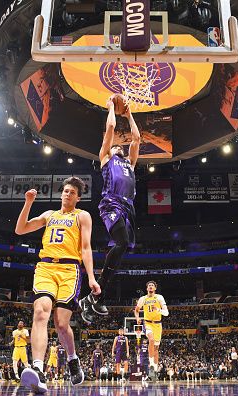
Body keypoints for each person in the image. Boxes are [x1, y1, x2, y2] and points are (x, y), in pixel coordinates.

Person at [15, 177, 101, 393]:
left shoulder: (82, 216)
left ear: (78, 197)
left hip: (69, 270)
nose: (67, 194)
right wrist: (28, 202)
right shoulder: (49, 215)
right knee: (40, 313)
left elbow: (86, 248)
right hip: (45, 268)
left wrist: (91, 277)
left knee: (61, 324)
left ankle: (72, 358)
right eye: (65, 191)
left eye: (72, 192)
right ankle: (38, 369)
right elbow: (20, 229)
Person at [78, 94, 141, 323]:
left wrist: (130, 113)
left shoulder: (130, 164)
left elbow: (136, 139)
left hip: (128, 208)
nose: (118, 147)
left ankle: (95, 297)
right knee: (122, 242)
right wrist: (111, 107)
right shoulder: (105, 158)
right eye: (115, 146)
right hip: (111, 203)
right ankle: (96, 295)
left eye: (119, 147)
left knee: (122, 249)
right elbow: (112, 127)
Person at [134, 281, 168, 370]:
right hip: (147, 323)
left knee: (156, 348)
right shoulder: (143, 299)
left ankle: (155, 369)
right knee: (151, 340)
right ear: (147, 288)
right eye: (149, 285)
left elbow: (166, 313)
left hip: (158, 324)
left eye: (152, 285)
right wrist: (137, 318)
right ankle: (151, 363)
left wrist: (158, 309)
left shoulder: (159, 297)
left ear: (155, 288)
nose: (150, 286)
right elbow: (136, 310)